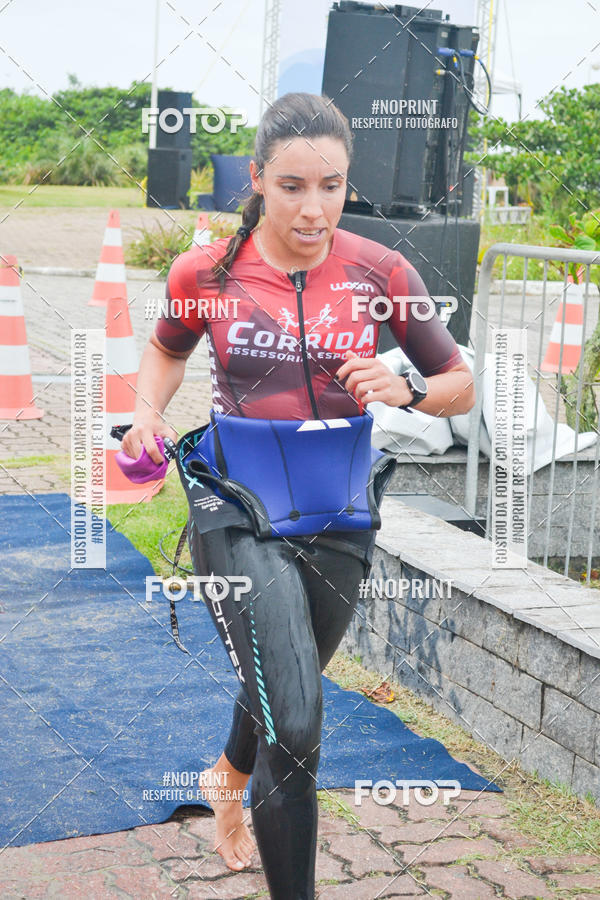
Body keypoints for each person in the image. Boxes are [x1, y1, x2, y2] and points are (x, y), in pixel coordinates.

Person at [122, 92, 475, 899]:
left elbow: (460, 383)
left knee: (285, 684)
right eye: (291, 186)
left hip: (340, 509)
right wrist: (145, 412)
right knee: (301, 718)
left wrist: (406, 385)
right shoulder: (207, 271)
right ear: (256, 179)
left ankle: (225, 777)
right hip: (236, 507)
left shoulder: (381, 271)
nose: (313, 208)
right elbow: (167, 348)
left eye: (331, 185)